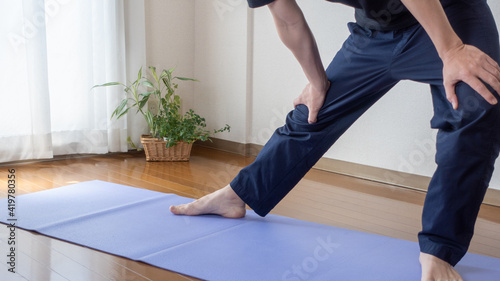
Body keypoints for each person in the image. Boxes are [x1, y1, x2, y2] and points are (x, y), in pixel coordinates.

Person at [170, 0, 500, 280]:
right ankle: (238, 194)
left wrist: (453, 49)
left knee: (478, 104)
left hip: (451, 14)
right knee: (314, 111)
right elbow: (287, 17)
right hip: (378, 28)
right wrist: (317, 83)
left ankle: (438, 249)